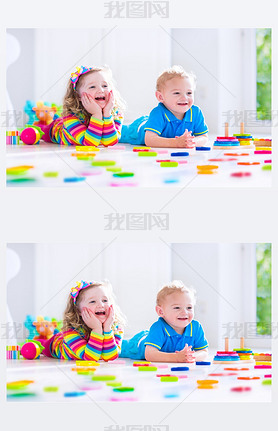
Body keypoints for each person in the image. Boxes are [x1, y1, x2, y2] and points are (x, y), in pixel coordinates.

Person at [120, 65, 208, 148]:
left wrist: (191, 142)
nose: (185, 97)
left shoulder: (196, 113)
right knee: (117, 133)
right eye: (177, 93)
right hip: (138, 129)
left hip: (154, 121)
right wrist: (176, 143)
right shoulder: (158, 113)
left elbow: (203, 137)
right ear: (160, 97)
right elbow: (149, 140)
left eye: (189, 93)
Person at [120, 280, 208, 362]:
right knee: (118, 347)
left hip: (154, 337)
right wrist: (176, 358)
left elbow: (204, 351)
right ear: (161, 312)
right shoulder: (158, 327)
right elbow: (149, 355)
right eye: (177, 307)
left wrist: (191, 356)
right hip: (138, 344)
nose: (185, 312)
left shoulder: (196, 327)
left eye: (189, 307)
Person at [40, 66, 125, 146]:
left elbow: (110, 142)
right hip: (55, 131)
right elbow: (90, 143)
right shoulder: (71, 117)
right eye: (92, 87)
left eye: (105, 86)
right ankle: (38, 126)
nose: (101, 90)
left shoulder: (115, 112)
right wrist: (97, 114)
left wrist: (107, 114)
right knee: (42, 131)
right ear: (78, 96)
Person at [40, 280, 125, 361]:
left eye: (105, 300)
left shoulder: (116, 327)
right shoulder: (71, 331)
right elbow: (90, 357)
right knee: (41, 345)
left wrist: (107, 329)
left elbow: (110, 357)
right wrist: (97, 329)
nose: (101, 305)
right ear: (78, 310)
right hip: (54, 346)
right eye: (92, 301)